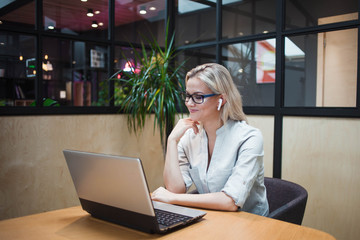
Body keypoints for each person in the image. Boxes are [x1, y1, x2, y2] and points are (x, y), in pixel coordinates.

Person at [151, 63, 269, 216]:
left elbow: (231, 201)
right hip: (213, 218)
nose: (189, 103)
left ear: (221, 99)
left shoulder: (249, 137)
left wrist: (173, 199)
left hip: (251, 223)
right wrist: (172, 140)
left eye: (198, 97)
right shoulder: (189, 136)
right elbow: (175, 189)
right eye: (187, 95)